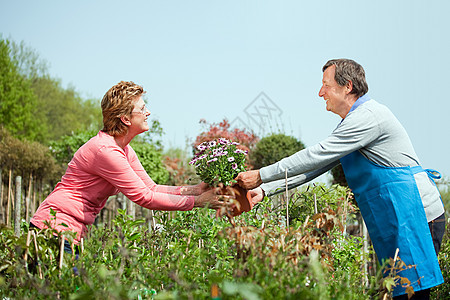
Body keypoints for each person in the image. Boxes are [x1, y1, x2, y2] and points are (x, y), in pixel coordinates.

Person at [236, 59, 445, 299]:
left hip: (416, 214)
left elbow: (317, 154)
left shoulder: (369, 116)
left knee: (410, 295)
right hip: (398, 214)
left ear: (347, 86)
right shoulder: (351, 122)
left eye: (326, 85)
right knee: (398, 292)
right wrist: (265, 189)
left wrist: (261, 175)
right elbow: (317, 165)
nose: (320, 92)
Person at [30, 81, 226, 253]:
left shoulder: (124, 150)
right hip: (52, 229)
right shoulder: (105, 151)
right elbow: (145, 197)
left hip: (69, 232)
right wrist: (199, 201)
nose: (147, 112)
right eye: (142, 109)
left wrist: (196, 190)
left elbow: (152, 188)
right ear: (125, 118)